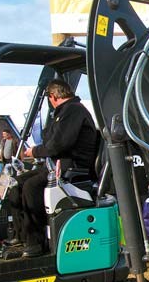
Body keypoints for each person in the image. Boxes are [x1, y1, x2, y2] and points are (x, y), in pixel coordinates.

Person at [5, 79, 98, 258]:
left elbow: (58, 144)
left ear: (52, 96)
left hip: (73, 167)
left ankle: (37, 243)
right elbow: (50, 140)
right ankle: (20, 235)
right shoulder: (61, 113)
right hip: (55, 164)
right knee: (16, 183)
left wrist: (35, 151)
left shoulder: (74, 111)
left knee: (32, 187)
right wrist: (43, 149)